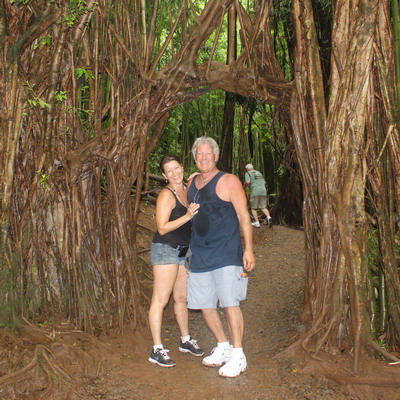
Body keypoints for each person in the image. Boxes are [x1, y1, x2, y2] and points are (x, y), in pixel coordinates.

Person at [186, 137, 256, 378]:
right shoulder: (191, 183)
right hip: (200, 252)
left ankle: (238, 355)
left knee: (229, 303)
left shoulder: (229, 181)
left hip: (226, 252)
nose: (204, 158)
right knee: (205, 304)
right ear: (195, 157)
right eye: (199, 154)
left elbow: (244, 216)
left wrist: (248, 249)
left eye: (208, 154)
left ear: (215, 156)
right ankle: (223, 346)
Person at [148, 155, 204, 368]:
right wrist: (188, 216)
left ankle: (185, 339)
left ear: (183, 168)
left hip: (183, 251)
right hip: (166, 249)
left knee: (181, 298)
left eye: (176, 168)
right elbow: (162, 227)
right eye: (169, 171)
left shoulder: (186, 190)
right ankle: (157, 349)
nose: (174, 173)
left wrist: (198, 178)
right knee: (160, 300)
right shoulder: (166, 194)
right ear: (164, 175)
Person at [244, 164, 272, 228]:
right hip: (263, 190)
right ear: (253, 168)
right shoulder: (259, 173)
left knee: (253, 208)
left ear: (247, 169)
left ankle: (257, 223)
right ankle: (269, 217)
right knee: (263, 207)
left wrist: (244, 186)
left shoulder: (248, 173)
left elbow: (248, 182)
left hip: (255, 191)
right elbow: (264, 182)